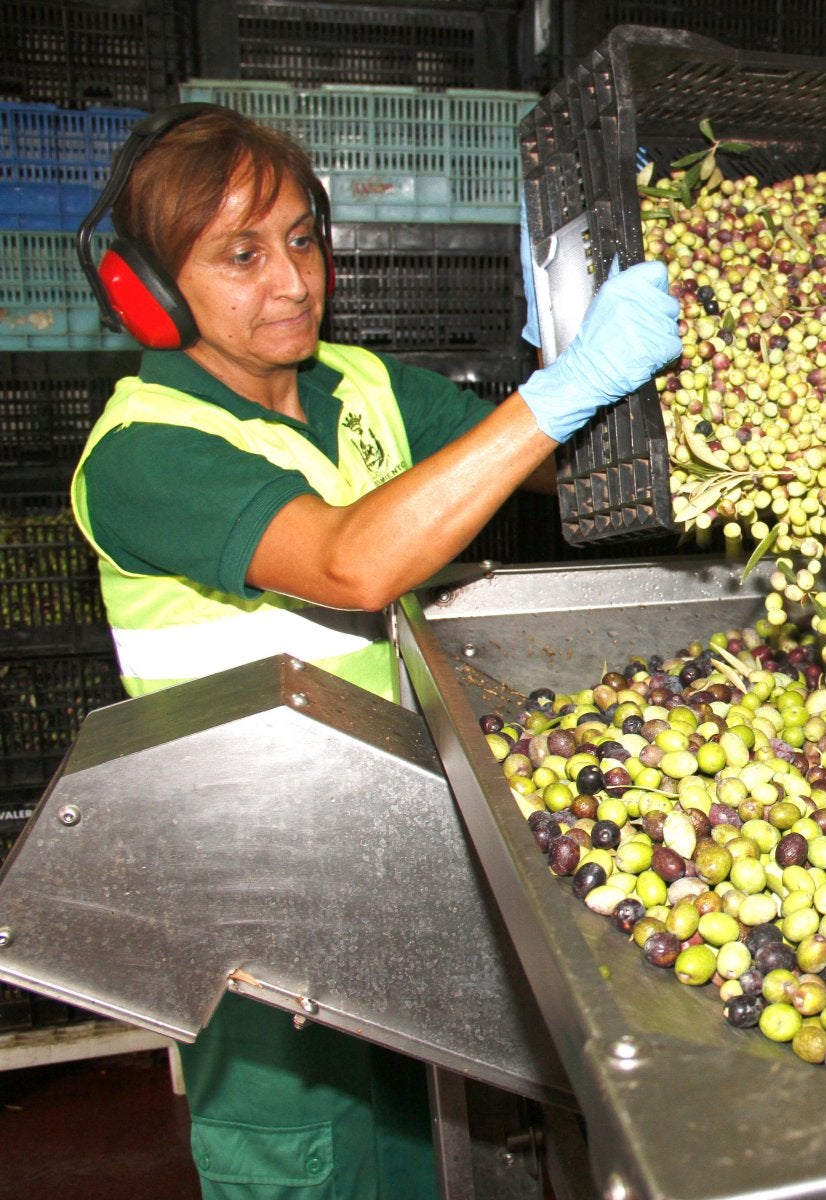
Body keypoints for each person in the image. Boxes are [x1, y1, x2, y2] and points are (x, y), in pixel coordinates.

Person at [68, 105, 681, 1199]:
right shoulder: (144, 451)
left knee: (429, 1149)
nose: (293, 283)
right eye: (241, 256)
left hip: (399, 861)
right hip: (256, 902)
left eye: (304, 240)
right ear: (148, 291)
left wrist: (588, 330)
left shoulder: (359, 384)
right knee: (303, 1160)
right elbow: (353, 562)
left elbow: (545, 468)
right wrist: (563, 389)